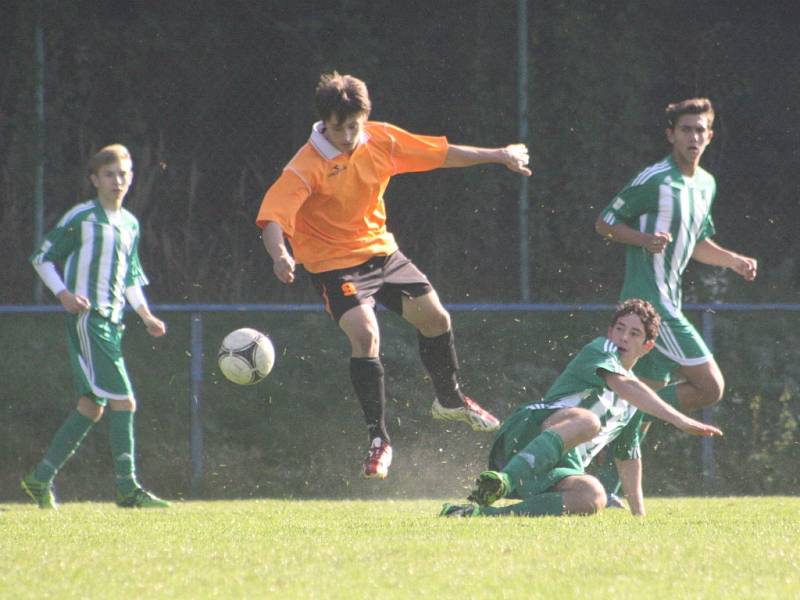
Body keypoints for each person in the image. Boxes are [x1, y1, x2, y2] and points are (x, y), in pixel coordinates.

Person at [256, 71, 531, 479]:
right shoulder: (305, 165)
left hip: (382, 254)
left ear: (364, 118)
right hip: (334, 265)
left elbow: (441, 153)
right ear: (323, 123)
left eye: (354, 125)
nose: (348, 135)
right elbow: (273, 219)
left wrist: (499, 155)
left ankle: (450, 398)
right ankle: (378, 439)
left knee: (436, 318)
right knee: (366, 333)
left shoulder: (381, 139)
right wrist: (280, 254)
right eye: (338, 127)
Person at [592, 98, 757, 502]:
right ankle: (627, 420)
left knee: (639, 402)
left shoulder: (706, 184)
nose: (694, 137)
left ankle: (609, 490)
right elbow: (605, 223)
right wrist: (643, 240)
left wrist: (733, 261)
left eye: (700, 130)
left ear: (710, 136)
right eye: (686, 129)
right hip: (652, 305)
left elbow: (698, 242)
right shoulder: (655, 179)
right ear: (671, 135)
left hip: (671, 301)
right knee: (710, 387)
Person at [440, 299, 723, 518]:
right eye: (620, 329)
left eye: (634, 333)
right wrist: (679, 420)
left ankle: (480, 513)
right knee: (588, 421)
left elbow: (628, 456)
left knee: (593, 495)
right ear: (610, 331)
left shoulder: (634, 403)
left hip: (559, 466)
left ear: (647, 346)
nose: (624, 337)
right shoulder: (601, 349)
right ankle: (503, 480)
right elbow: (624, 385)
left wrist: (640, 514)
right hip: (528, 433)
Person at [21, 144, 169, 509]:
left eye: (123, 174)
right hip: (90, 320)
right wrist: (64, 295)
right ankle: (127, 488)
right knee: (125, 402)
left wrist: (146, 315)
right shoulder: (83, 218)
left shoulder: (130, 224)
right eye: (108, 174)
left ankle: (39, 478)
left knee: (92, 406)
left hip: (113, 324)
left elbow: (131, 277)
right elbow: (42, 257)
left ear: (131, 177)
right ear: (94, 179)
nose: (117, 181)